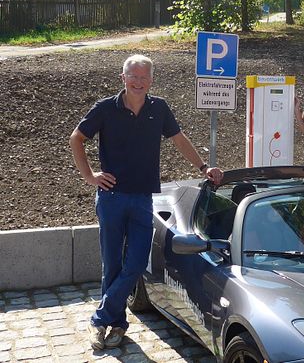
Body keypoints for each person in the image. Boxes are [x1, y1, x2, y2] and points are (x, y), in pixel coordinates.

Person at [69, 54, 224, 350]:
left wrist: (204, 168)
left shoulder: (159, 108)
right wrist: (90, 176)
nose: (138, 82)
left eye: (144, 77)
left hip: (142, 198)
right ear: (123, 78)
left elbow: (179, 139)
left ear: (151, 80)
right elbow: (77, 138)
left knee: (138, 262)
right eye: (133, 76)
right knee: (112, 263)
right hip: (111, 197)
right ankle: (115, 325)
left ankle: (100, 318)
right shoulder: (105, 108)